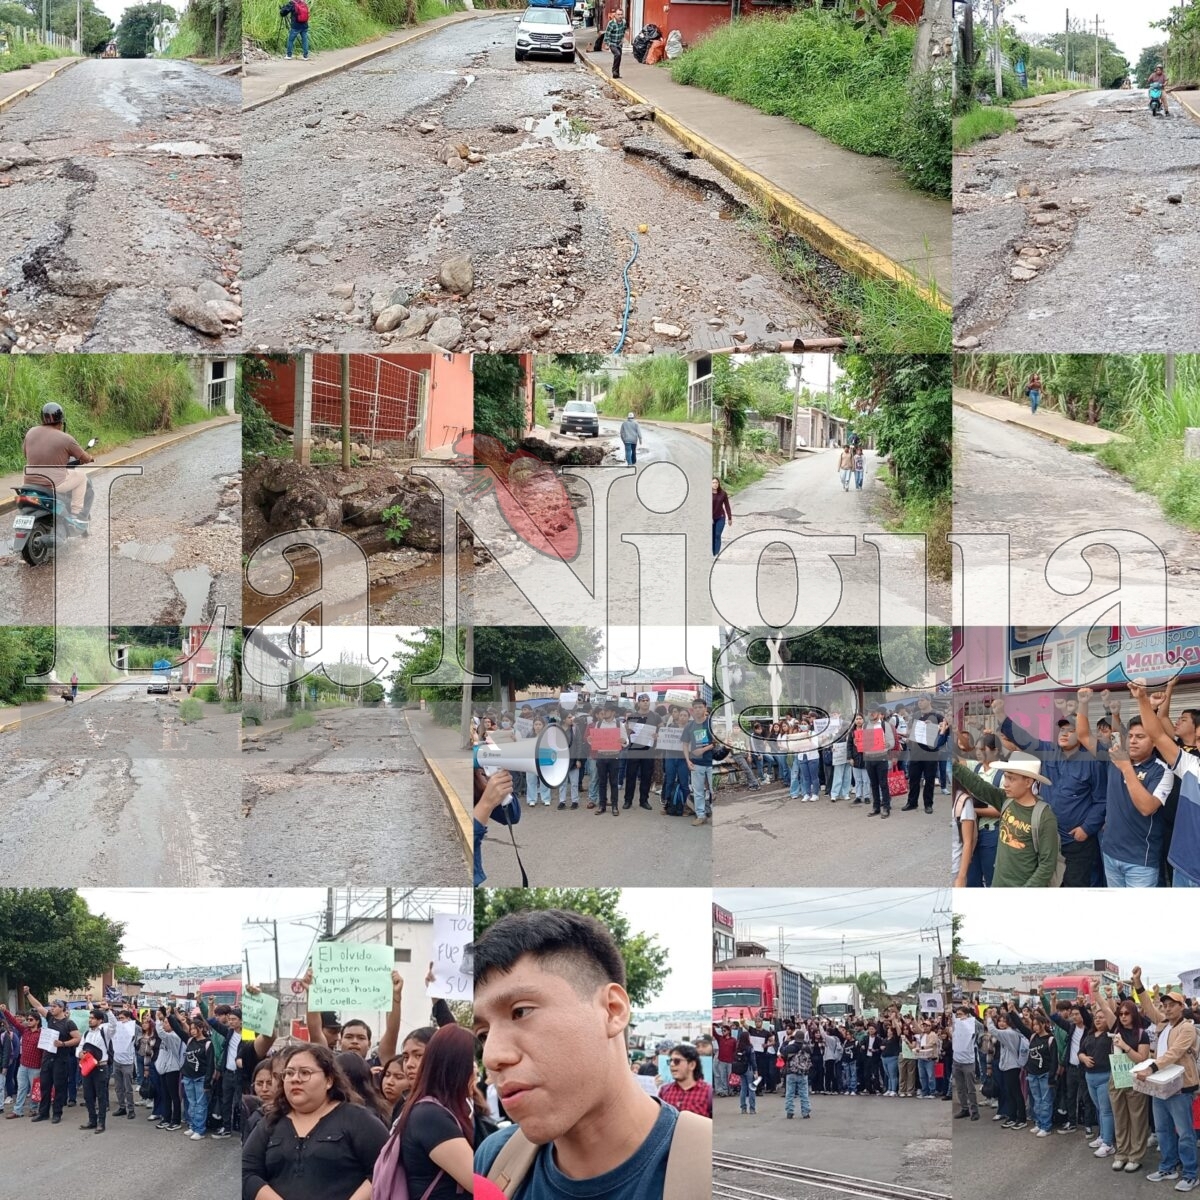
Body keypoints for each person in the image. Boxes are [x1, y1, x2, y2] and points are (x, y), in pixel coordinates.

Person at [473, 909, 711, 1196]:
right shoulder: (495, 1161)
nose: (491, 1056)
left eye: (521, 1011)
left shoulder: (704, 1168)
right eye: (484, 1034)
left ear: (613, 1011)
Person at [242, 1043, 390, 1200]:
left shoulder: (357, 1119)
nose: (295, 1079)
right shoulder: (270, 1122)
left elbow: (385, 1167)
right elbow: (248, 1171)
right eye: (289, 1073)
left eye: (305, 1073)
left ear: (329, 1080)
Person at [990, 754, 1062, 887]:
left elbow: (1047, 864)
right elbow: (979, 786)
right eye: (1005, 777)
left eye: (1011, 778)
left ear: (1028, 782)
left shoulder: (1045, 817)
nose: (1005, 783)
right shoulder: (1007, 801)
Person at [23, 401, 94, 519]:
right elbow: (84, 457)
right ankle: (76, 514)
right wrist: (90, 458)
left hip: (29, 482)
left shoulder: (31, 432)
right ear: (61, 421)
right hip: (53, 483)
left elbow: (26, 454)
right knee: (81, 477)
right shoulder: (66, 438)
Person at [25, 990, 78, 1124]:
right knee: (45, 1086)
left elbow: (78, 1038)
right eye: (51, 1006)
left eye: (54, 1006)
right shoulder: (50, 1018)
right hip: (47, 1058)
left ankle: (57, 1113)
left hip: (61, 1060)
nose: (51, 1008)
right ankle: (43, 1113)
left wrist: (63, 1044)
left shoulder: (68, 1023)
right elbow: (38, 1006)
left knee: (59, 1087)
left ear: (61, 1008)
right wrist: (27, 994)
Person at [77, 1004, 116, 1134]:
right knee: (88, 1096)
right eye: (90, 1017)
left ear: (100, 1020)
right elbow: (80, 1047)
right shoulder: (86, 1033)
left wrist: (108, 1011)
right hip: (88, 1068)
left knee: (101, 1096)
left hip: (100, 1067)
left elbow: (114, 1025)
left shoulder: (105, 1031)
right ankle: (92, 1120)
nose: (90, 1020)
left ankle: (101, 1122)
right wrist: (80, 1053)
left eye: (93, 1018)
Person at [682, 696, 714, 827]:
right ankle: (701, 815)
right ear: (692, 710)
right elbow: (685, 744)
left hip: (711, 762)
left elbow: (718, 741)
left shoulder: (711, 724)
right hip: (696, 763)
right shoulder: (690, 726)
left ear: (705, 708)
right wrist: (687, 760)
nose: (698, 710)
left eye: (700, 707)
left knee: (713, 790)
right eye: (695, 708)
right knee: (698, 791)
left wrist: (705, 749)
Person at [658, 1043, 713, 1118]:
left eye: (677, 1061)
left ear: (692, 1065)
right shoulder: (664, 1091)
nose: (672, 1064)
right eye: (670, 1061)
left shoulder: (708, 1092)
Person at [603, 6, 627, 79]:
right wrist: (607, 44)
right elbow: (607, 34)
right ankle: (614, 72)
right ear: (615, 15)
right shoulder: (611, 23)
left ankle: (617, 73)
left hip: (619, 43)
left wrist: (622, 39)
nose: (620, 16)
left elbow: (623, 30)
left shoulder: (623, 22)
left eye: (621, 14)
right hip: (612, 43)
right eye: (618, 14)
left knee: (619, 57)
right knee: (617, 54)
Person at [712, 478, 732, 556]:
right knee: (711, 535)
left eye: (716, 482)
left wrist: (730, 517)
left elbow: (727, 506)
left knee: (717, 534)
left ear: (719, 484)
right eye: (713, 482)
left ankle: (716, 553)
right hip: (710, 517)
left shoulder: (723, 493)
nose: (715, 484)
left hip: (720, 517)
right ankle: (712, 552)